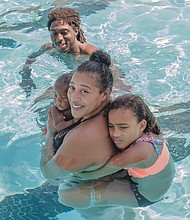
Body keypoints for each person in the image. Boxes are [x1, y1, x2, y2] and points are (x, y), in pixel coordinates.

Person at [57, 94, 175, 209]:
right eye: (110, 125)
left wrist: (65, 172)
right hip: (148, 180)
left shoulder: (141, 151)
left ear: (141, 125)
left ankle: (116, 210)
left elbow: (93, 174)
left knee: (65, 195)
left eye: (123, 127)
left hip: (142, 196)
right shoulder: (148, 132)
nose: (115, 134)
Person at [19, 7, 97, 97]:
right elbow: (31, 57)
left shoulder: (90, 54)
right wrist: (26, 78)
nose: (59, 38)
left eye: (64, 32)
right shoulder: (50, 48)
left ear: (76, 31)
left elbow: (111, 73)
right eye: (54, 33)